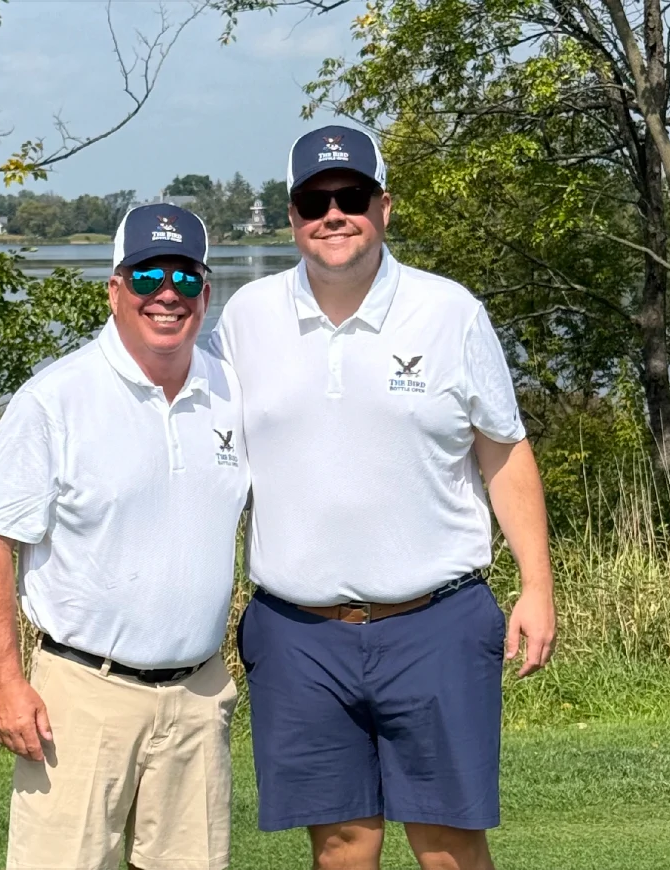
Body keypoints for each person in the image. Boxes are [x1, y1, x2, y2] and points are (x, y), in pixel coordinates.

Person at [211, 125, 557, 870]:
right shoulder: (246, 318)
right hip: (299, 634)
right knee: (340, 845)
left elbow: (503, 447)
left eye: (352, 197)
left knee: (448, 844)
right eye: (314, 201)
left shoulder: (449, 310)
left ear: (384, 206)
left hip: (433, 621)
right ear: (293, 215)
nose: (334, 215)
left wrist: (537, 586)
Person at [0, 203, 250, 870]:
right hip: (82, 696)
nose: (167, 294)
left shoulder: (231, 391)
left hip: (199, 696)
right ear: (115, 289)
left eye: (185, 277)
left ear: (206, 293)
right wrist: (6, 683)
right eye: (146, 275)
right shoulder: (56, 399)